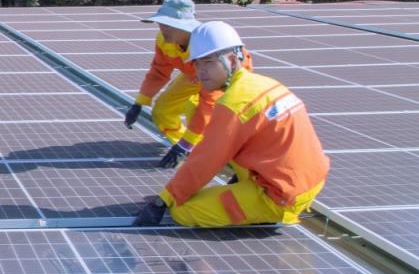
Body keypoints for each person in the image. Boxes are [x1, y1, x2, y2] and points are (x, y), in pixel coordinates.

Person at [133, 21, 329, 227]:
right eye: (197, 64)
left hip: (280, 195)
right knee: (204, 117)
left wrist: (163, 200)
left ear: (232, 60)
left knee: (182, 211)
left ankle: (265, 211)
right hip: (308, 178)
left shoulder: (234, 104)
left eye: (209, 62)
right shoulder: (264, 82)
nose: (201, 71)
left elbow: (206, 160)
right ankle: (250, 190)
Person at [123, 0, 252, 168]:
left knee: (202, 113)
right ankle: (193, 151)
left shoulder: (208, 47)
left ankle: (224, 158)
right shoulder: (164, 40)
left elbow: (208, 102)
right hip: (193, 74)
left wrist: (186, 144)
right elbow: (159, 71)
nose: (162, 29)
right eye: (160, 23)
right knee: (162, 110)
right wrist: (139, 103)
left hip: (225, 77)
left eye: (168, 25)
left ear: (184, 28)